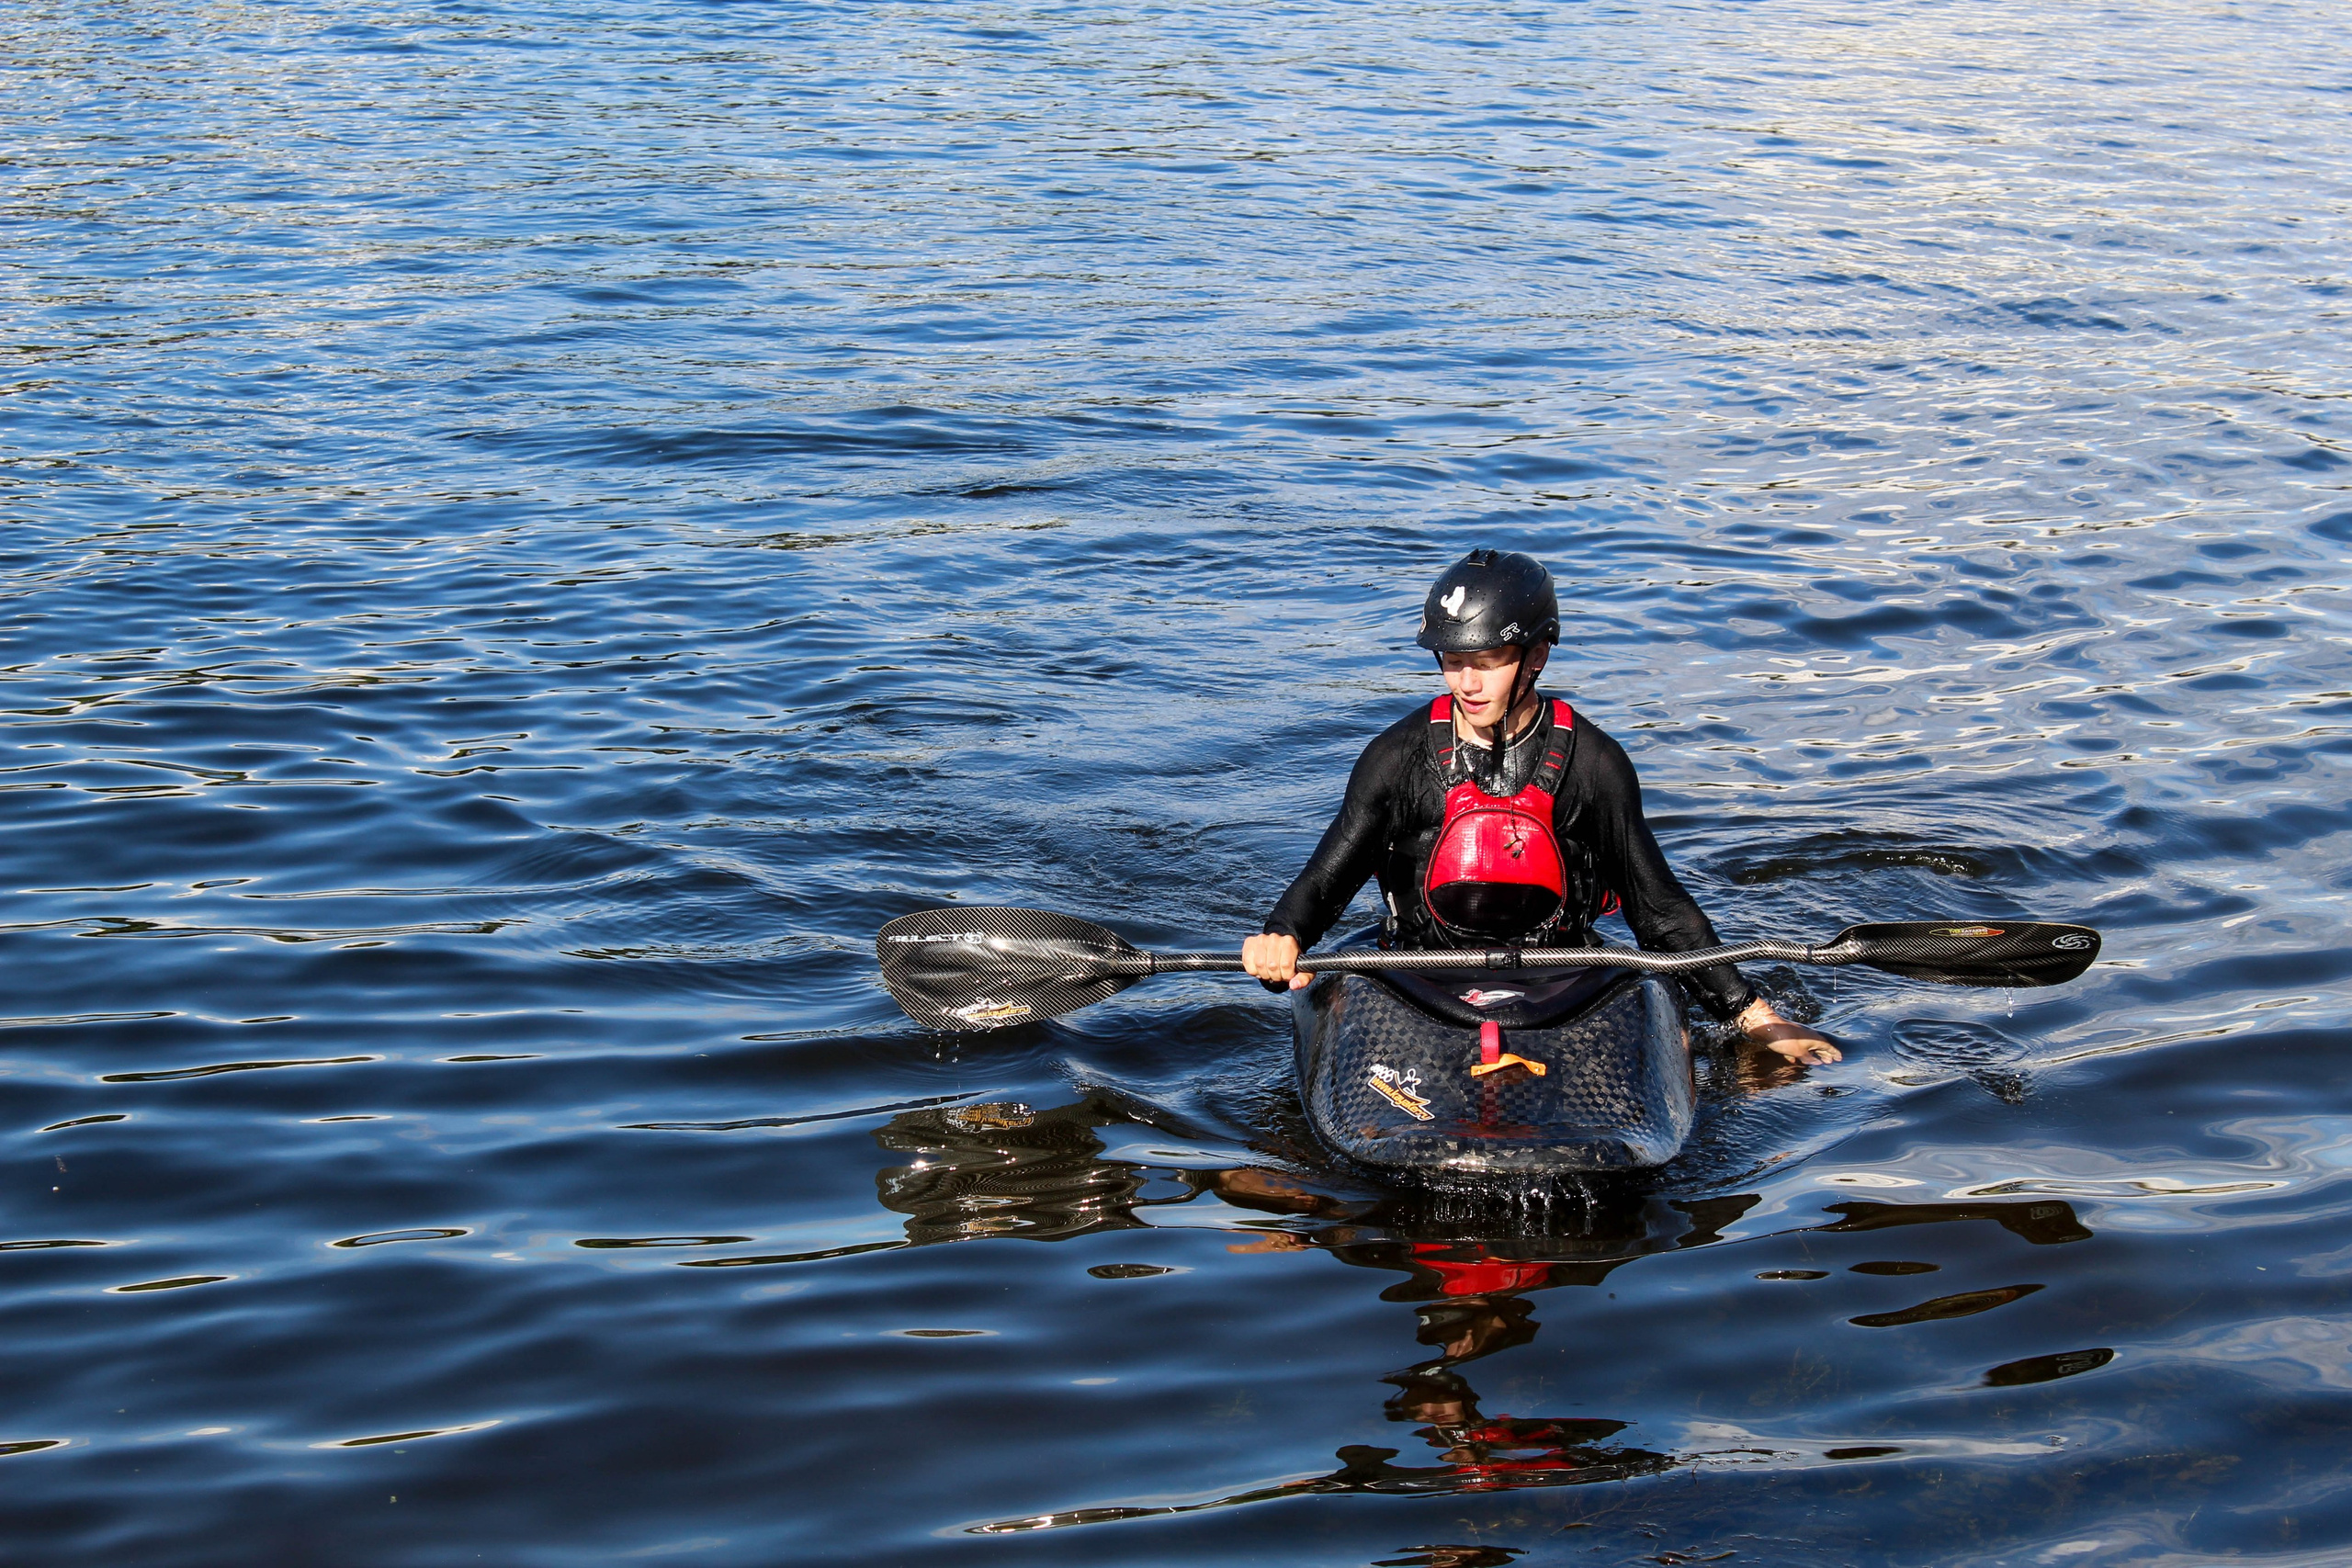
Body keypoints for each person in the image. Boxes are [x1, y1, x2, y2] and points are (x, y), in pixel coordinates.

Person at [1240, 547, 1838, 1065]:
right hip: (1420, 980)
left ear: (1536, 656)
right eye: (1452, 660)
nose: (1466, 683)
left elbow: (1658, 909)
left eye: (1487, 661)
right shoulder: (1396, 760)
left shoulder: (1593, 766)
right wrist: (1282, 936)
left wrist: (1754, 1015)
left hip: (1563, 985)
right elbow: (1324, 882)